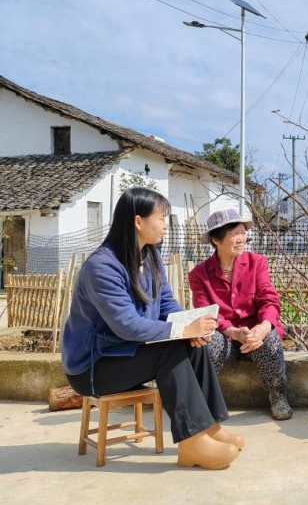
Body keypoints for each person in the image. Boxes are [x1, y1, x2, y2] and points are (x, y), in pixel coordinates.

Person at [61, 187, 242, 470]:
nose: (165, 225)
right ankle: (192, 443)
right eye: (161, 218)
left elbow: (167, 303)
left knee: (192, 344)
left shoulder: (151, 257)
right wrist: (181, 332)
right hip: (94, 368)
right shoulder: (102, 267)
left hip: (126, 355)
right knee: (171, 347)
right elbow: (126, 325)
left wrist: (191, 327)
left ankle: (210, 427)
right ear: (138, 221)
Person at [188, 208, 292, 421]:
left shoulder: (257, 262)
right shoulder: (199, 274)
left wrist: (263, 327)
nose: (242, 238)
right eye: (235, 233)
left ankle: (277, 393)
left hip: (254, 334)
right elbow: (206, 313)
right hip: (225, 335)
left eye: (243, 233)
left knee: (271, 339)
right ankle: (205, 397)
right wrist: (233, 332)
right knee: (207, 342)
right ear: (216, 239)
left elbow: (268, 299)